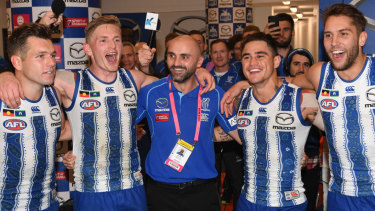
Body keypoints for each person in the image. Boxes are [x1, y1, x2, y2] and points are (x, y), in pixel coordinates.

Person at [0, 15, 215, 211]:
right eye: (103, 40)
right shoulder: (69, 81)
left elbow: (178, 84)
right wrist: (5, 74)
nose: (112, 45)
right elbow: (29, 71)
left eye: (117, 39)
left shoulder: (135, 79)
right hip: (92, 192)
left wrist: (198, 70)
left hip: (133, 187)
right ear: (88, 49)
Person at [222, 3, 375, 210]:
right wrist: (245, 82)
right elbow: (284, 81)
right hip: (342, 194)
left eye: (343, 34)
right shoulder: (320, 73)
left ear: (362, 38)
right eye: (328, 35)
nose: (334, 43)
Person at [136, 35, 239, 211]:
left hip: (203, 192)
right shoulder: (150, 92)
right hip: (160, 191)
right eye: (171, 55)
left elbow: (240, 133)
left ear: (199, 61)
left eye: (185, 56)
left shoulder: (214, 94)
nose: (176, 62)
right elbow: (121, 125)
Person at [235, 32, 320, 211]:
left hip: (287, 204)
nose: (252, 63)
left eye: (260, 56)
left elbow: (338, 132)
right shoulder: (241, 98)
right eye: (246, 57)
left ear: (276, 61)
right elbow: (242, 135)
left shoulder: (302, 97)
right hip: (248, 201)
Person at [0, 22, 70, 211]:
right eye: (40, 56)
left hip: (48, 204)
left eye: (52, 55)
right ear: (17, 62)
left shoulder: (54, 95)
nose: (51, 63)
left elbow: (62, 131)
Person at [210, 39, 244, 210]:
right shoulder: (203, 78)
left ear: (230, 54)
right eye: (215, 52)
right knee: (211, 183)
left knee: (237, 182)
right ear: (210, 55)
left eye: (222, 51)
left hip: (233, 136)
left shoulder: (240, 77)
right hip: (211, 137)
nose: (219, 55)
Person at [286, 48, 322, 211]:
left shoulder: (318, 94)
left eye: (306, 65)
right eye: (296, 64)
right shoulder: (278, 93)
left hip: (311, 163)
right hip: (284, 162)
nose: (301, 69)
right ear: (288, 67)